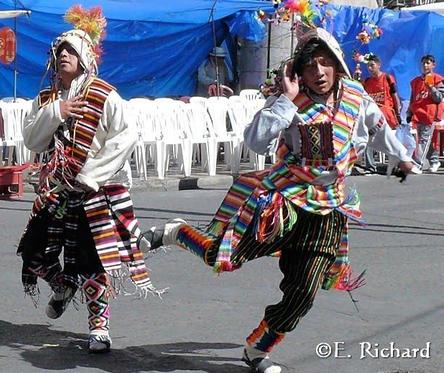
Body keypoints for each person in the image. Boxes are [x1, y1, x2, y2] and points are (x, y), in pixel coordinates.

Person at [145, 27, 414, 372]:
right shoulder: (288, 102)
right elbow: (256, 142)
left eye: (324, 63)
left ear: (336, 64)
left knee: (304, 292)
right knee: (223, 259)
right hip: (282, 200)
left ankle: (257, 351)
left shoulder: (358, 99)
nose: (318, 73)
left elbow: (380, 132)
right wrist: (285, 101)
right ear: (297, 73)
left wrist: (402, 157)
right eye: (309, 66)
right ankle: (176, 232)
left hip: (328, 208)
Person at [17, 6, 160, 354]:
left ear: (84, 58)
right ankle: (62, 285)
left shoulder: (103, 94)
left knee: (94, 261)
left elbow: (125, 135)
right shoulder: (47, 99)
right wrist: (56, 113)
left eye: (70, 51)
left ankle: (99, 328)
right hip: (58, 189)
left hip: (97, 190)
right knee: (33, 253)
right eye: (58, 51)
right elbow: (32, 141)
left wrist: (92, 174)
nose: (63, 55)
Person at [406, 54, 444, 173]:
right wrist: (409, 112)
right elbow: (413, 99)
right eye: (423, 63)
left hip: (430, 115)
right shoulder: (416, 81)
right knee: (425, 140)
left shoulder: (437, 79)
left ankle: (418, 164)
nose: (425, 65)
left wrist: (431, 87)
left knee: (424, 140)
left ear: (433, 65)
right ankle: (434, 161)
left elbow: (439, 98)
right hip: (418, 114)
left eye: (428, 63)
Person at [363, 54, 402, 130]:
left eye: (372, 65)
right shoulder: (366, 82)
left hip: (388, 119)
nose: (370, 68)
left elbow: (395, 97)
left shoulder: (387, 78)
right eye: (368, 66)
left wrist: (398, 114)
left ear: (379, 65)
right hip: (373, 122)